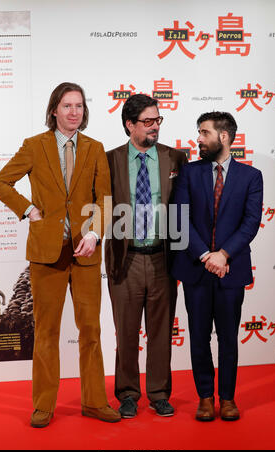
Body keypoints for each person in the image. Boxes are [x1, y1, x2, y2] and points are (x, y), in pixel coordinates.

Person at [0, 82, 120, 427]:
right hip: (46, 254)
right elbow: (0, 182)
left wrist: (94, 233)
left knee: (90, 330)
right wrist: (28, 209)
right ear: (54, 110)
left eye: (79, 105)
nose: (74, 112)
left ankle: (94, 401)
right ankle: (44, 405)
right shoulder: (35, 146)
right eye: (67, 106)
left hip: (86, 253)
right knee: (45, 331)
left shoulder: (94, 148)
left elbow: (104, 199)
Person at [172, 111, 263, 421]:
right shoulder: (189, 172)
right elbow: (179, 219)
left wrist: (223, 255)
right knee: (198, 335)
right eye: (199, 132)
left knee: (227, 337)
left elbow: (251, 223)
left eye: (204, 132)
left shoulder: (251, 177)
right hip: (195, 269)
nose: (198, 139)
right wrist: (205, 256)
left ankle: (227, 398)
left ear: (223, 137)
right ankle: (205, 397)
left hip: (231, 269)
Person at [105, 94, 186, 418]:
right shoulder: (108, 159)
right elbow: (97, 208)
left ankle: (158, 393)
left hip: (162, 259)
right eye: (148, 121)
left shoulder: (175, 158)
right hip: (125, 260)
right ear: (130, 124)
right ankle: (127, 393)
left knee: (161, 331)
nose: (155, 127)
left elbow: (185, 208)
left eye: (158, 120)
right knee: (125, 332)